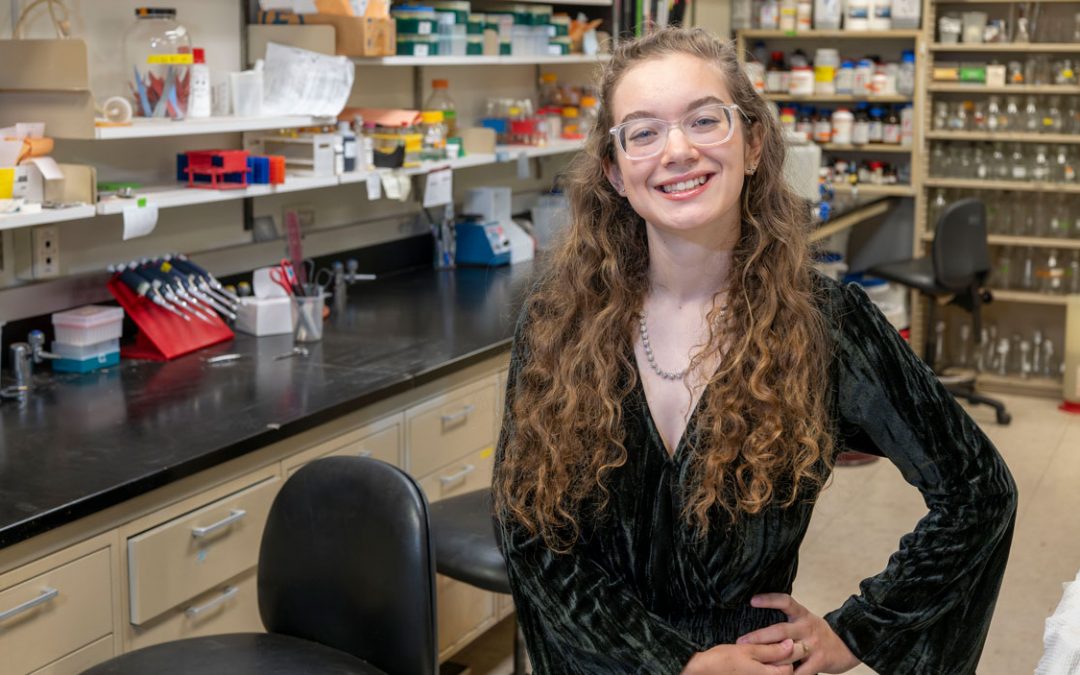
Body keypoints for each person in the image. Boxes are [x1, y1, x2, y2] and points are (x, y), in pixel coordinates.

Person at [492, 26, 1017, 675]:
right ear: (615, 170)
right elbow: (528, 532)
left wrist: (860, 630)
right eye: (643, 131)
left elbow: (979, 491)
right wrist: (679, 664)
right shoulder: (556, 320)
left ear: (753, 142)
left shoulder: (825, 324)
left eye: (703, 119)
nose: (677, 150)